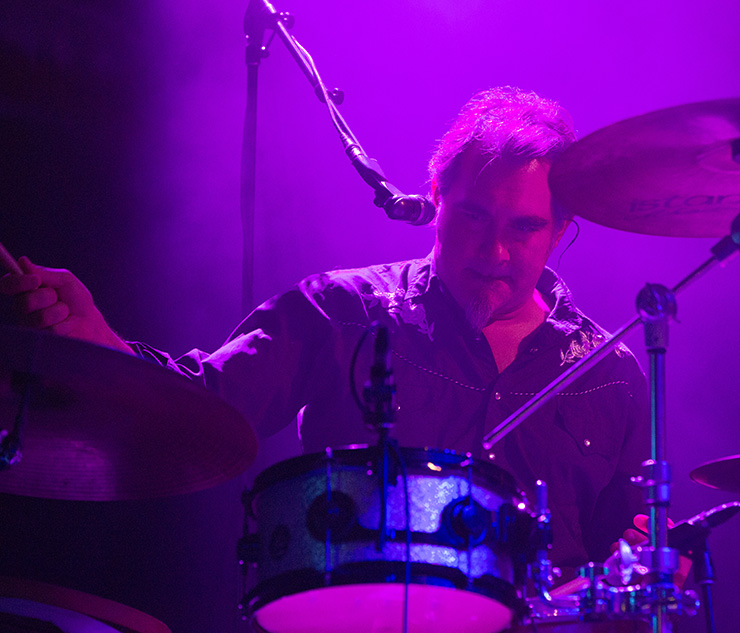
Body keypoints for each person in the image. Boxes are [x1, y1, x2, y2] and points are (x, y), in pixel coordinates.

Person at [0, 86, 649, 571]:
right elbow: (200, 404)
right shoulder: (342, 313)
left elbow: (623, 557)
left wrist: (648, 558)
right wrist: (102, 345)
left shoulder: (608, 372)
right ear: (435, 200)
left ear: (560, 231)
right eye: (475, 216)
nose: (495, 251)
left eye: (524, 228)